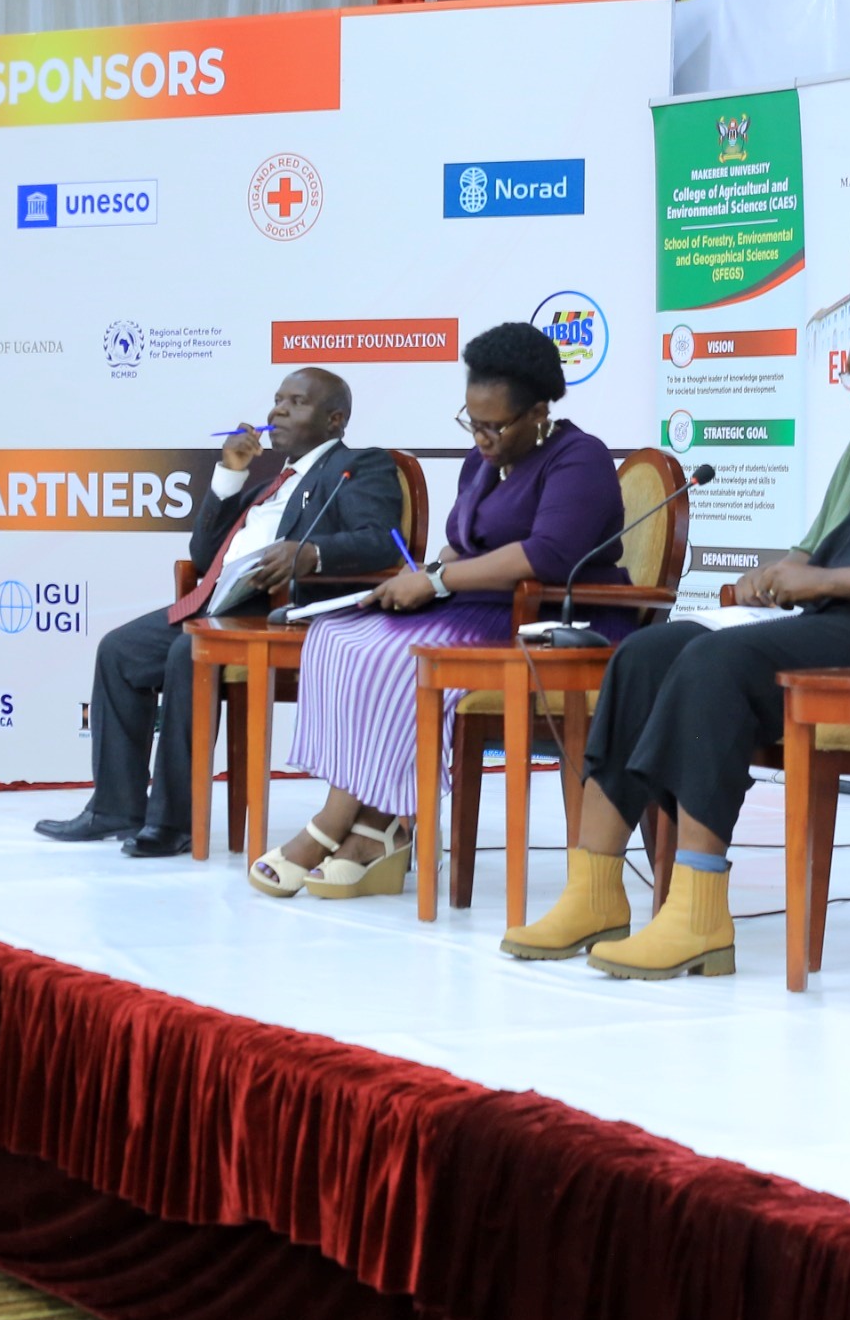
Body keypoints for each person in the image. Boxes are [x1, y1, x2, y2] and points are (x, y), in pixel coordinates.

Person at [501, 302, 850, 979]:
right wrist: (776, 574)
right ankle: (594, 890)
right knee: (645, 653)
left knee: (715, 661)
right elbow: (817, 550)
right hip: (829, 626)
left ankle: (698, 914)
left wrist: (823, 579)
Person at [250, 323, 632, 899]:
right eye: (472, 422)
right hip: (477, 607)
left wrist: (439, 580)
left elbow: (547, 555)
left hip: (550, 620)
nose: (482, 437)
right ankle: (375, 826)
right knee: (334, 637)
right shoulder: (482, 462)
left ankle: (344, 823)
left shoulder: (580, 459)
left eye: (495, 425)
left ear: (538, 412)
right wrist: (422, 572)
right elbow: (463, 539)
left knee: (393, 654)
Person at [35, 367, 403, 859]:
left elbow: (380, 541)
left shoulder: (359, 465)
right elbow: (206, 554)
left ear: (335, 419)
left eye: (297, 402)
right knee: (120, 651)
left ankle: (173, 821)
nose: (278, 410)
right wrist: (230, 475)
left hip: (283, 611)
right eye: (277, 399)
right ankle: (115, 808)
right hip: (220, 604)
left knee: (191, 652)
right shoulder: (268, 485)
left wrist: (310, 552)